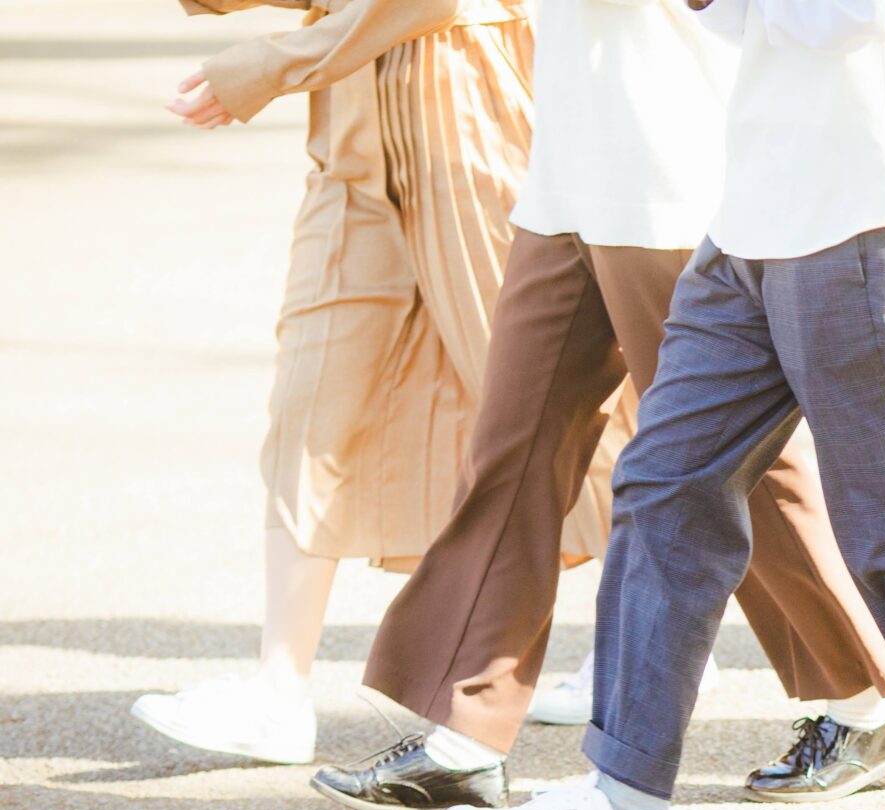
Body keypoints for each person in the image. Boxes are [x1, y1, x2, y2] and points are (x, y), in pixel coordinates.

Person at [439, 0, 885, 810]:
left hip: (866, 206)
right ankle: (624, 798)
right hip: (765, 206)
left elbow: (843, 16)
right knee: (665, 480)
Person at [303, 0, 885, 810]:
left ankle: (868, 696)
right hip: (567, 168)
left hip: (667, 164)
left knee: (736, 462)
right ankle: (466, 735)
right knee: (511, 447)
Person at [131, 0, 605, 764]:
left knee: (542, 387)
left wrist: (268, 64)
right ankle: (279, 689)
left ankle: (666, 623)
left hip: (469, 90)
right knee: (312, 388)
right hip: (352, 103)